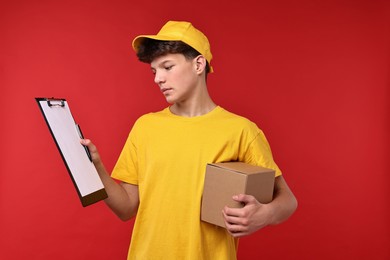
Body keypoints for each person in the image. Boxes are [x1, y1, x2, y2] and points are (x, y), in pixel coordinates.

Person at [82, 20, 297, 259]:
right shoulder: (145, 127)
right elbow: (126, 208)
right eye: (154, 71)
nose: (158, 79)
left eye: (167, 67)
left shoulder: (241, 130)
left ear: (198, 64)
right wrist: (97, 169)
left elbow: (288, 200)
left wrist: (263, 215)